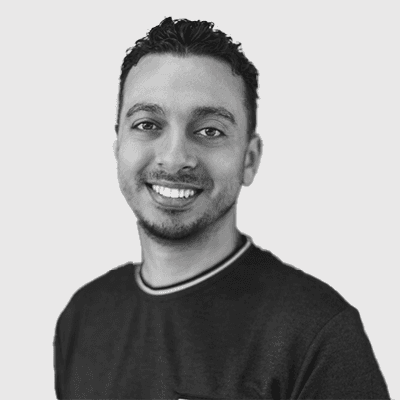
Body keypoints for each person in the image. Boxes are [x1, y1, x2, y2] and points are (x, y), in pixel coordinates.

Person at [53, 17, 390, 399]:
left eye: (210, 130)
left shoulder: (316, 332)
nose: (175, 157)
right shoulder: (83, 316)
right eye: (147, 124)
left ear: (249, 159)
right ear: (118, 149)